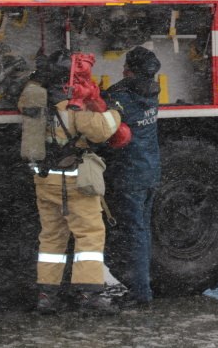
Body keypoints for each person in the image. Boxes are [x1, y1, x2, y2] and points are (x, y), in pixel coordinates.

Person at [18, 49, 122, 315]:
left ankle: (47, 296)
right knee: (89, 236)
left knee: (52, 238)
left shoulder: (35, 100)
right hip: (76, 179)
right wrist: (115, 111)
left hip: (45, 178)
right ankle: (89, 296)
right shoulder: (74, 105)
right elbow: (101, 131)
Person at [103, 46, 162, 309]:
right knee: (143, 232)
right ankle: (142, 286)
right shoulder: (150, 93)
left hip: (130, 175)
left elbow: (103, 124)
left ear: (130, 70)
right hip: (149, 171)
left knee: (135, 233)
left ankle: (140, 293)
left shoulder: (121, 99)